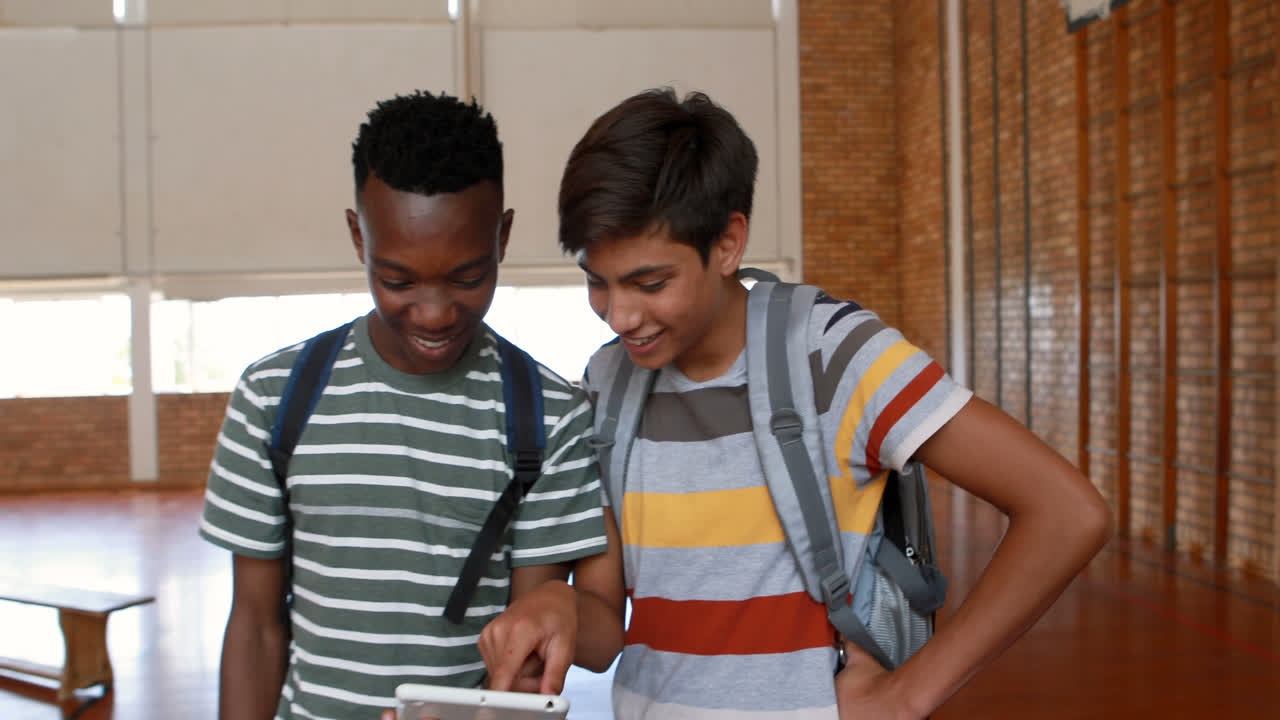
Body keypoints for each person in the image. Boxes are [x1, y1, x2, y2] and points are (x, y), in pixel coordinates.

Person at [482, 87, 1114, 719]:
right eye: (598, 281)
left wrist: (907, 695)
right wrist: (557, 610)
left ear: (728, 244)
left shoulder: (833, 356)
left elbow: (1066, 512)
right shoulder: (608, 384)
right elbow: (603, 633)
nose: (620, 315)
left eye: (651, 283)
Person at [198, 89, 624, 720]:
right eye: (397, 280)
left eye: (466, 277)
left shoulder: (548, 416)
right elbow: (257, 626)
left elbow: (525, 648)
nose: (433, 312)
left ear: (502, 236)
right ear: (357, 236)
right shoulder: (273, 397)